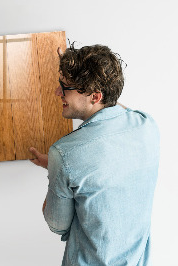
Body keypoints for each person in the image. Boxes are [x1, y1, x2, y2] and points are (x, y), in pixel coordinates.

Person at [29, 44, 160, 265]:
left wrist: (56, 169)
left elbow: (57, 225)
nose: (57, 92)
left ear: (95, 96)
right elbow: (113, 106)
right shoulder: (147, 125)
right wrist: (78, 73)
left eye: (65, 86)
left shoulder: (64, 154)